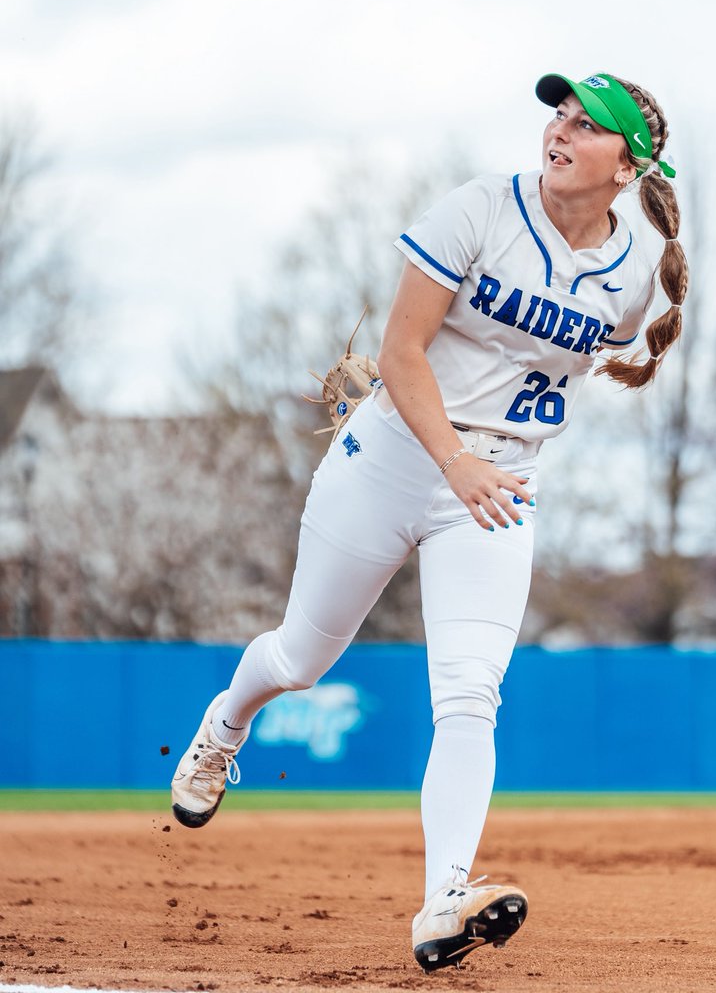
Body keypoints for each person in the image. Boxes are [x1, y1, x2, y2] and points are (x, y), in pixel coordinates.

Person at [170, 71, 688, 971]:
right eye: (558, 113)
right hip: (393, 461)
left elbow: (570, 363)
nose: (560, 129)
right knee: (301, 658)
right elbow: (399, 352)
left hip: (498, 490)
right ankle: (223, 729)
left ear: (628, 165)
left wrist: (494, 458)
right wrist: (458, 458)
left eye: (585, 123)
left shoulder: (634, 273)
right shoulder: (479, 211)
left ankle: (444, 897)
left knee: (470, 695)